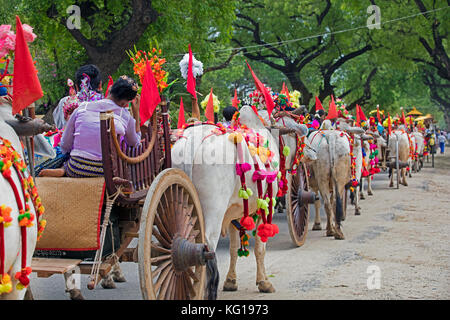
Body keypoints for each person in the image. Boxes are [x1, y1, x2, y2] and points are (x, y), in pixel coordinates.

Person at [39, 75, 141, 178]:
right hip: (108, 173)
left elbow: (65, 144)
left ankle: (64, 169)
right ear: (125, 103)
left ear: (110, 89)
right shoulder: (125, 117)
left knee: (70, 159)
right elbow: (135, 143)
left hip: (76, 168)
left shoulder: (83, 107)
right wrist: (136, 113)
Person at [53, 64, 103, 129]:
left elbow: (58, 128)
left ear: (76, 86)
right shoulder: (106, 104)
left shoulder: (65, 102)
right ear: (100, 85)